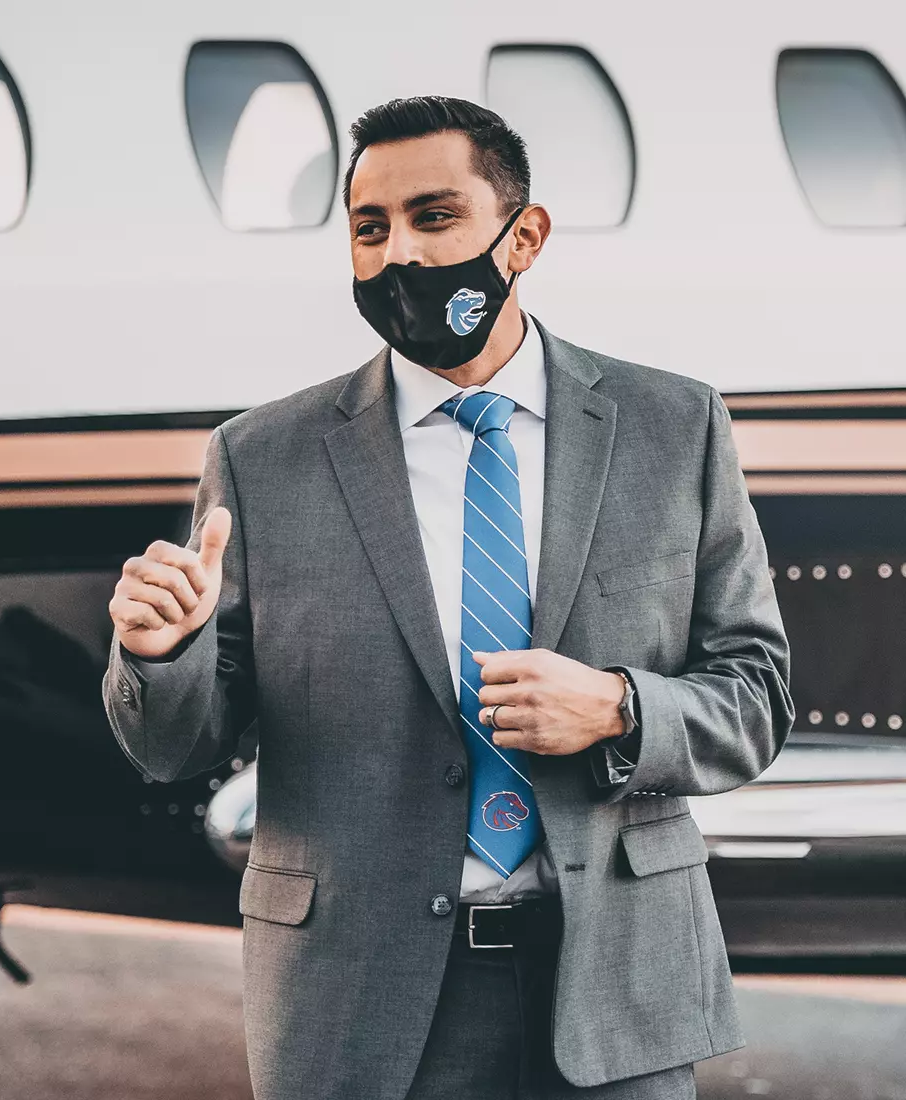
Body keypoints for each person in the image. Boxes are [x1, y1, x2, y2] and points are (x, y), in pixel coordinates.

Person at [103, 96, 793, 1100]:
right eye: (369, 227)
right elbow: (177, 747)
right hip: (359, 1001)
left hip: (611, 988)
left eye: (434, 217)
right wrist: (162, 655)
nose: (400, 256)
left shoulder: (673, 427)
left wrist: (618, 708)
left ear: (525, 237)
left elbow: (754, 694)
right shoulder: (261, 457)